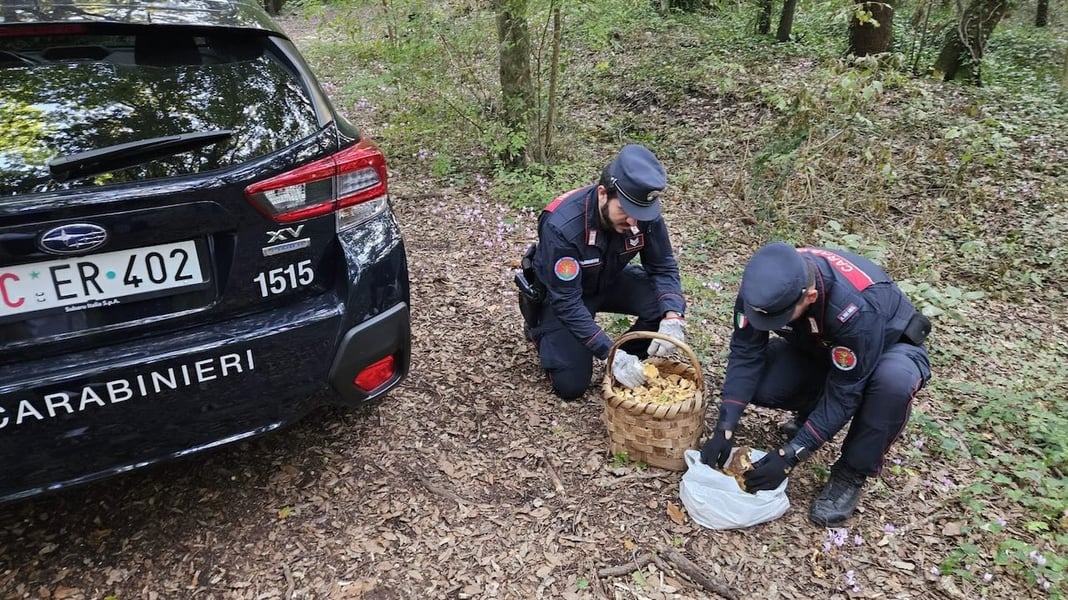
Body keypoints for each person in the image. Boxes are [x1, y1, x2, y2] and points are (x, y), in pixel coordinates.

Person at [700, 241, 932, 526]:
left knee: (891, 385)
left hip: (888, 347)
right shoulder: (764, 285)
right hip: (821, 346)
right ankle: (811, 413)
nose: (768, 322)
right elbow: (745, 353)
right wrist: (725, 425)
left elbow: (845, 391)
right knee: (761, 380)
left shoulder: (855, 308)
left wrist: (792, 454)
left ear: (809, 297)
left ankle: (850, 474)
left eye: (779, 318)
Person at [514, 144, 687, 400]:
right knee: (571, 386)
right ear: (603, 193)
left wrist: (673, 316)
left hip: (608, 279)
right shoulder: (563, 226)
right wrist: (608, 351)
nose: (633, 222)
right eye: (626, 212)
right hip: (565, 296)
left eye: (640, 214)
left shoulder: (642, 215)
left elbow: (662, 266)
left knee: (661, 303)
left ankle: (630, 358)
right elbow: (567, 301)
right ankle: (540, 329)